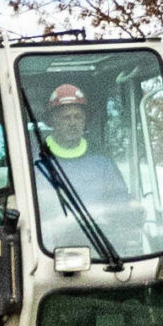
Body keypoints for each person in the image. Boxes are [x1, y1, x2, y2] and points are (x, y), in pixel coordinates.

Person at [29, 81, 137, 255]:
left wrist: (133, 210)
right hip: (49, 253)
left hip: (98, 247)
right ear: (52, 120)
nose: (73, 123)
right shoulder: (33, 160)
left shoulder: (101, 160)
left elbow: (120, 200)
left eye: (77, 117)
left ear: (85, 120)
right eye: (66, 117)